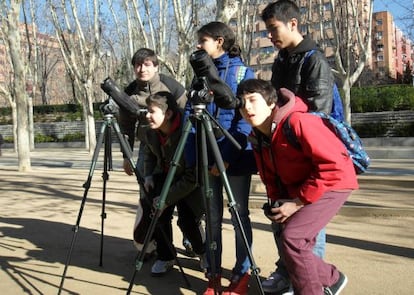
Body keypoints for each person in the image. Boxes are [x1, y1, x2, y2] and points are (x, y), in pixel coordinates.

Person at [237, 78, 358, 295]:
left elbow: (335, 166)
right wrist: (277, 204)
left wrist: (297, 203)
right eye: (242, 102)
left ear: (271, 102)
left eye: (253, 100)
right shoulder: (258, 136)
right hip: (304, 187)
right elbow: (271, 176)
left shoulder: (299, 122)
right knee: (292, 243)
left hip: (333, 182)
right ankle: (332, 278)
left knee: (293, 239)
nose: (246, 107)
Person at [260, 0, 337, 292]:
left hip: (305, 155)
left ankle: (310, 281)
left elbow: (320, 116)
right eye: (267, 31)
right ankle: (287, 271)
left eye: (273, 29)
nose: (270, 36)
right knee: (281, 217)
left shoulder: (315, 61)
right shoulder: (281, 59)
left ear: (293, 24)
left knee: (306, 227)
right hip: (280, 152)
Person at [187, 21, 256, 295]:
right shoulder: (198, 76)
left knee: (239, 215)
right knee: (212, 217)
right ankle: (213, 275)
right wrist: (194, 159)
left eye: (202, 41)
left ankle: (241, 276)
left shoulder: (242, 73)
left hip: (234, 159)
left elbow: (245, 121)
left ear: (218, 41)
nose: (198, 46)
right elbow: (190, 117)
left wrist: (226, 158)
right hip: (206, 158)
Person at [118, 48, 196, 257]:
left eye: (147, 64)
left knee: (184, 196)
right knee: (149, 195)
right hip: (148, 146)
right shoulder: (130, 91)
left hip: (177, 142)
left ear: (156, 66)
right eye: (137, 65)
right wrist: (126, 155)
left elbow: (187, 113)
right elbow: (125, 126)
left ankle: (192, 237)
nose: (141, 69)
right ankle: (154, 245)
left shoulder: (171, 86)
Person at [141, 91, 206, 276]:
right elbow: (148, 153)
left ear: (168, 113)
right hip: (164, 174)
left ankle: (203, 252)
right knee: (157, 215)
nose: (147, 115)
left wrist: (166, 199)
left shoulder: (188, 131)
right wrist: (148, 176)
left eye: (151, 111)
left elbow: (193, 177)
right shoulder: (151, 131)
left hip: (187, 180)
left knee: (187, 221)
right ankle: (166, 256)